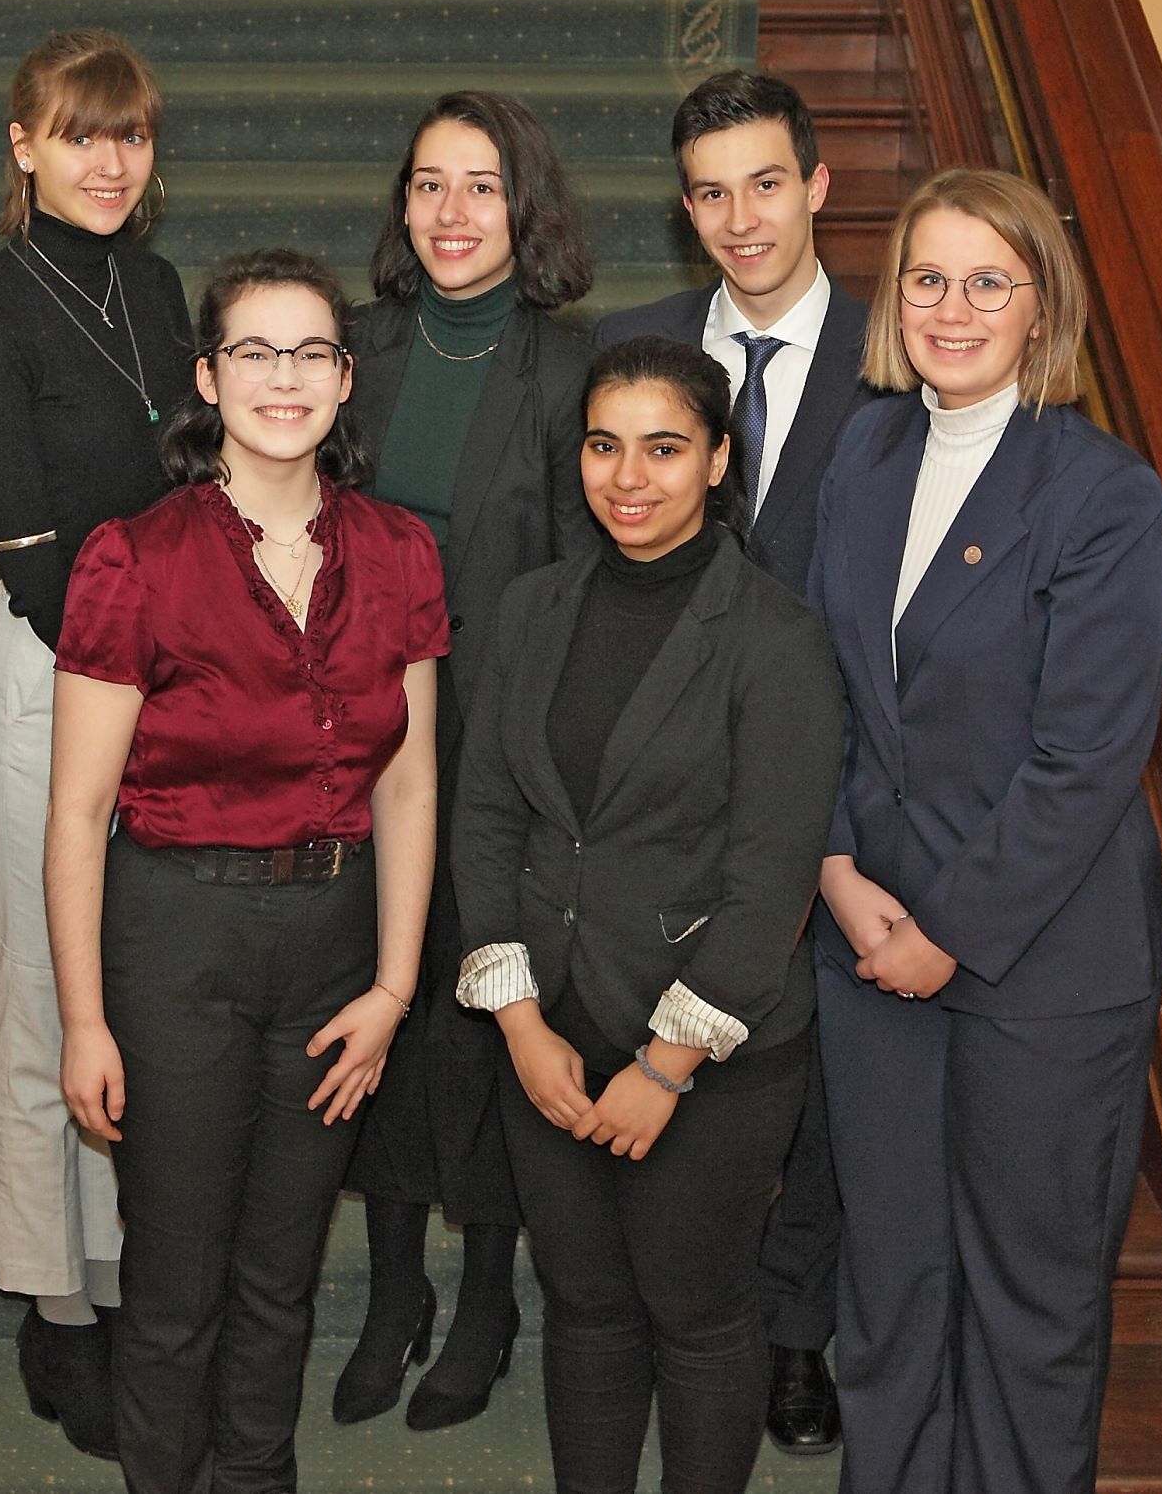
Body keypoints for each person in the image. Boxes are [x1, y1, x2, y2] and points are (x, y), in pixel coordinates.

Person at [45, 248, 446, 1494]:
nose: (287, 378)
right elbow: (76, 812)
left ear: (345, 378)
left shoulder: (401, 551)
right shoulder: (134, 557)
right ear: (209, 378)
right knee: (177, 1280)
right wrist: (81, 1018)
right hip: (180, 938)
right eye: (256, 353)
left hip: (334, 939)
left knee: (281, 1271)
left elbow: (411, 781)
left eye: (313, 352)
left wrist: (391, 988)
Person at [808, 167, 1162, 1494]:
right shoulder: (865, 452)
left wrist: (946, 933)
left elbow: (1081, 760)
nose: (949, 308)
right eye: (924, 277)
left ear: (1039, 306)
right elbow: (827, 687)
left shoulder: (1103, 494)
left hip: (1042, 971)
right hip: (869, 953)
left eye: (984, 281)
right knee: (891, 1290)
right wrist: (837, 869)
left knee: (1029, 1309)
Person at [451, 334, 845, 1494]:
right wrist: (520, 1022)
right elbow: (487, 820)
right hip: (552, 1033)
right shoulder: (530, 610)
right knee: (584, 1309)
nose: (629, 475)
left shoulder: (776, 637)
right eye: (605, 445)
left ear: (720, 458)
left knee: (696, 1314)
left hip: (714, 1051)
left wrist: (665, 1067)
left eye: (665, 448)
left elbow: (770, 878)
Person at [593, 67, 873, 1454]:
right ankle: (662, 1304)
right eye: (708, 191)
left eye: (766, 183)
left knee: (803, 1076)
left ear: (816, 184)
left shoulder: (896, 360)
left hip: (829, 791)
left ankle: (793, 1329)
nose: (739, 217)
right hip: (652, 789)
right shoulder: (633, 349)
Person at [0, 30, 194, 1460]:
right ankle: (56, 1305)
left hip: (168, 679)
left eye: (132, 137)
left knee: (134, 992)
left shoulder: (153, 287)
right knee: (47, 991)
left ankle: (115, 1271)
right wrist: (143, 673)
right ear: (22, 145)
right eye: (80, 134)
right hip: (54, 674)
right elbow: (34, 555)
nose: (109, 162)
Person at [336, 89, 593, 1430]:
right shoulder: (355, 352)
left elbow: (573, 583)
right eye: (427, 185)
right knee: (370, 1002)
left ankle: (485, 1294)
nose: (448, 212)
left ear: (524, 205)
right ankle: (392, 1291)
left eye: (479, 186)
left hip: (499, 751)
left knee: (478, 1018)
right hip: (359, 747)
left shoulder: (566, 370)